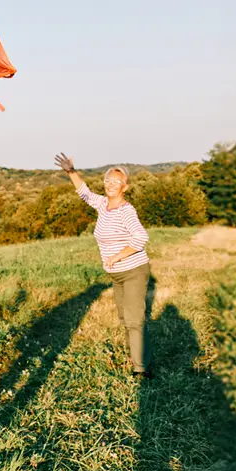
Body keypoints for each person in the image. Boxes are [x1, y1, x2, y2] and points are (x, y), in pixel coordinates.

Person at [54, 153, 153, 377]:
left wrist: (118, 256)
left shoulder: (126, 211)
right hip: (116, 275)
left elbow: (140, 238)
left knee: (134, 320)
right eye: (108, 180)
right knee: (124, 318)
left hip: (133, 271)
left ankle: (142, 369)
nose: (110, 185)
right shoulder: (103, 205)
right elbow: (85, 193)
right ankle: (137, 356)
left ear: (124, 187)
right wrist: (71, 171)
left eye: (116, 182)